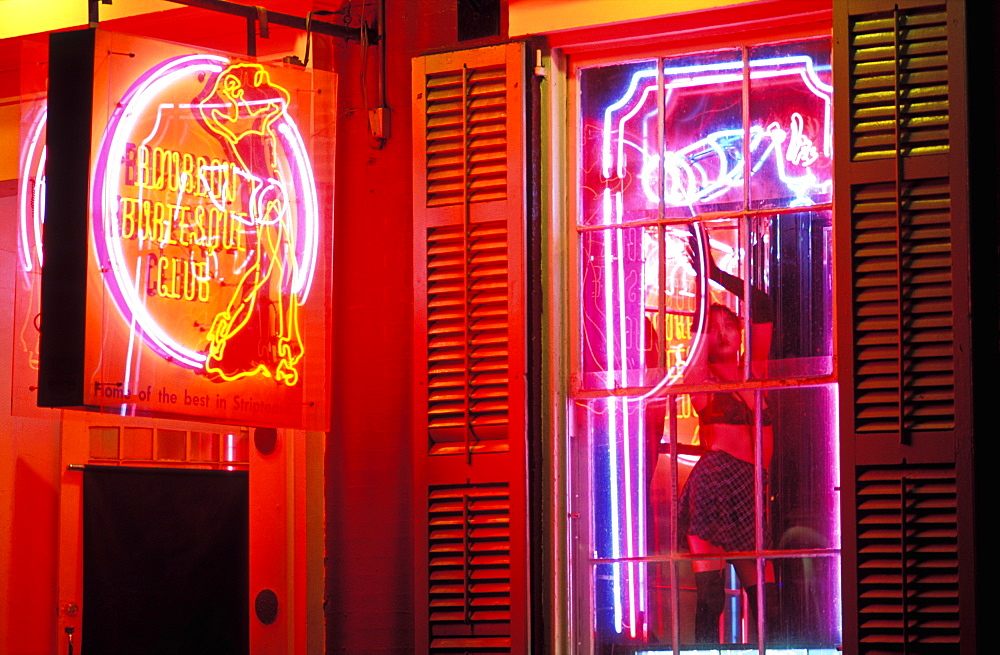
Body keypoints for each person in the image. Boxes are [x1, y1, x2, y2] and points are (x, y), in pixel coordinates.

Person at [679, 248, 774, 644]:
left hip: (751, 488)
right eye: (713, 327)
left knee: (767, 596)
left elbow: (765, 305)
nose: (722, 333)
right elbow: (695, 360)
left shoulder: (756, 371)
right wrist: (703, 301)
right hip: (715, 484)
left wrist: (716, 274)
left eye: (729, 325)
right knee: (712, 595)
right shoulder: (704, 382)